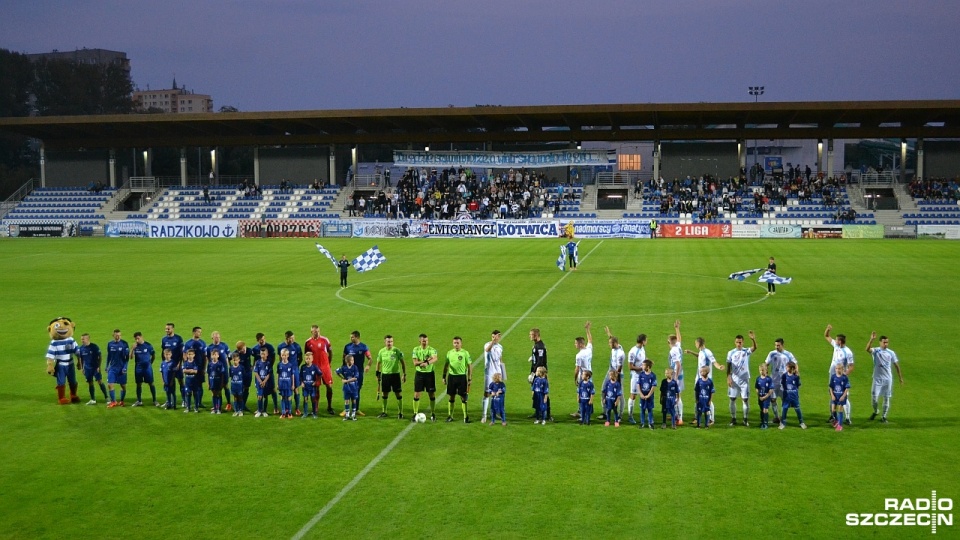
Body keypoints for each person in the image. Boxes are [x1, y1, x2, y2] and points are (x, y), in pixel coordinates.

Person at [684, 336, 725, 425]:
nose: (695, 345)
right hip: (698, 379)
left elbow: (714, 362)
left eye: (695, 343)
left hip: (706, 380)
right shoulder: (701, 352)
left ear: (699, 343)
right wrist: (691, 352)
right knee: (698, 398)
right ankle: (696, 417)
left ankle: (711, 419)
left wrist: (719, 367)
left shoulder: (708, 352)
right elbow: (699, 356)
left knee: (707, 398)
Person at [865, 332, 904, 423]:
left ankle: (884, 416)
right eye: (884, 342)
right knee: (874, 397)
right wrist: (871, 339)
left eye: (887, 342)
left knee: (886, 397)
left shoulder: (891, 352)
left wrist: (900, 377)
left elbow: (896, 365)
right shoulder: (876, 351)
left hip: (887, 379)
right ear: (880, 342)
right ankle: (876, 411)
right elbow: (867, 349)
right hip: (877, 378)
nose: (886, 344)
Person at [824, 324, 854, 425]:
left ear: (840, 342)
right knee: (832, 394)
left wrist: (845, 374)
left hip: (841, 377)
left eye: (837, 340)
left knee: (844, 397)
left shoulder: (848, 352)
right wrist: (828, 329)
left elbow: (851, 366)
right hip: (832, 375)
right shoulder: (836, 346)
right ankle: (833, 416)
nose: (835, 341)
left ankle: (848, 417)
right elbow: (827, 336)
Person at [726, 331, 757, 427]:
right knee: (732, 399)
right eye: (737, 342)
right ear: (735, 342)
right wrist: (728, 377)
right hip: (734, 379)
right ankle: (733, 418)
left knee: (745, 399)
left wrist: (753, 339)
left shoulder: (746, 351)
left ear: (743, 342)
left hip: (744, 380)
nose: (739, 344)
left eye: (740, 342)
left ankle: (745, 419)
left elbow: (755, 348)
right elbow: (728, 365)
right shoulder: (731, 353)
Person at [764, 338, 798, 424]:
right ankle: (776, 417)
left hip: (784, 382)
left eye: (778, 345)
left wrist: (796, 373)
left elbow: (795, 364)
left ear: (782, 345)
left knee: (784, 400)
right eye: (775, 345)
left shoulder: (788, 354)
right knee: (773, 399)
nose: (776, 347)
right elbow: (766, 364)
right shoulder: (772, 354)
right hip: (773, 381)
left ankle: (783, 418)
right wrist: (765, 371)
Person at [304, 325, 335, 415]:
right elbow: (307, 355)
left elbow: (330, 352)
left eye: (318, 331)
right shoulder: (308, 342)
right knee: (316, 387)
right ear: (311, 332)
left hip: (325, 367)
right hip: (315, 368)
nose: (316, 333)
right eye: (314, 331)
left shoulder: (325, 340)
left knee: (329, 386)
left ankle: (329, 406)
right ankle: (316, 407)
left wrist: (328, 363)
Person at [442, 336, 473, 424]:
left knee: (463, 397)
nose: (456, 344)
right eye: (455, 343)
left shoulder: (465, 353)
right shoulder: (449, 353)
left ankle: (465, 417)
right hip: (451, 377)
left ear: (461, 343)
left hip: (462, 377)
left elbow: (470, 366)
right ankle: (450, 416)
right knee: (451, 396)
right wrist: (444, 376)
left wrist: (470, 378)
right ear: (453, 343)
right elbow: (446, 365)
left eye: (458, 343)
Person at [376, 335, 406, 419]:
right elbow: (378, 363)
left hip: (395, 375)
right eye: (388, 341)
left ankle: (400, 413)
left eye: (391, 341)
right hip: (385, 375)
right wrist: (377, 374)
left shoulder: (397, 351)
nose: (390, 343)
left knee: (398, 393)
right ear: (385, 342)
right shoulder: (381, 351)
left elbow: (403, 363)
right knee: (384, 393)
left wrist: (404, 374)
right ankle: (384, 412)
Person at [342, 330, 371, 416]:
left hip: (359, 373)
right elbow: (344, 358)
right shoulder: (347, 347)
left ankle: (356, 409)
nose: (350, 338)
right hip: (348, 373)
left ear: (357, 337)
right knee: (347, 390)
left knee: (357, 390)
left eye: (352, 337)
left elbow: (370, 358)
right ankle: (346, 409)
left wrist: (368, 366)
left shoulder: (363, 347)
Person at [412, 333, 439, 422]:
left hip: (429, 374)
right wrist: (424, 361)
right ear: (420, 341)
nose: (425, 342)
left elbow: (435, 358)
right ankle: (415, 413)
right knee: (417, 394)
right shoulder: (416, 349)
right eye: (423, 341)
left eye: (426, 340)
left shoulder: (431, 349)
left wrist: (427, 363)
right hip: (419, 374)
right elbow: (415, 363)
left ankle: (433, 413)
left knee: (431, 394)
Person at [76, 333, 107, 405]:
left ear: (87, 339)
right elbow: (81, 359)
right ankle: (93, 399)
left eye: (83, 339)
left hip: (95, 368)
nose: (82, 340)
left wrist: (99, 366)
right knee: (90, 383)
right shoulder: (81, 348)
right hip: (87, 369)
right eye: (81, 339)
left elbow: (100, 357)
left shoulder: (94, 347)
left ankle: (106, 397)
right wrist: (82, 368)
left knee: (100, 381)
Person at [482, 330, 506, 424]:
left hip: (498, 373)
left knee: (498, 394)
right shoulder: (487, 344)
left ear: (499, 337)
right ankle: (484, 416)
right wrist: (492, 341)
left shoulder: (500, 347)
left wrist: (503, 373)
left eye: (496, 337)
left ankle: (495, 413)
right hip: (489, 373)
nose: (494, 338)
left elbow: (500, 360)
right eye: (492, 336)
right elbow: (487, 350)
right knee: (487, 393)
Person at [571, 322, 593, 419]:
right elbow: (590, 340)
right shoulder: (589, 349)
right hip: (590, 375)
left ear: (580, 344)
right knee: (588, 394)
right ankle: (585, 411)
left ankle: (583, 413)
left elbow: (577, 369)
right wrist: (587, 330)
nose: (575, 345)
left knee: (581, 396)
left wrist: (575, 379)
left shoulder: (579, 355)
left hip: (583, 377)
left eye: (576, 343)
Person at [278, 331, 303, 414]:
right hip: (284, 371)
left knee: (296, 388)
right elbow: (280, 359)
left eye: (293, 337)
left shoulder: (297, 346)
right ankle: (286, 409)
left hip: (294, 370)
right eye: (290, 338)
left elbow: (300, 358)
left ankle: (297, 408)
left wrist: (295, 367)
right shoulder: (281, 347)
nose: (292, 339)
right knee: (285, 390)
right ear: (286, 338)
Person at [603, 326, 626, 419]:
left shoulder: (621, 353)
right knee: (603, 389)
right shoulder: (615, 346)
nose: (609, 345)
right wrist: (609, 333)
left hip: (617, 374)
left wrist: (615, 377)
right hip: (611, 370)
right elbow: (612, 339)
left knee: (620, 394)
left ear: (615, 343)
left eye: (610, 343)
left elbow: (619, 367)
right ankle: (605, 412)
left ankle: (620, 414)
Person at [252, 333, 278, 414]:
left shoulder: (269, 347)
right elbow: (255, 359)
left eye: (263, 339)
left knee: (272, 389)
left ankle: (276, 407)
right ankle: (260, 408)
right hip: (259, 371)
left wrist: (269, 366)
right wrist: (254, 366)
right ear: (257, 340)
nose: (263, 340)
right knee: (259, 390)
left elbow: (273, 358)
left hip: (268, 371)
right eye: (261, 340)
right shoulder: (255, 348)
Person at [206, 331, 232, 411]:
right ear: (212, 338)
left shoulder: (224, 345)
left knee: (225, 386)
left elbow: (229, 357)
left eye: (218, 337)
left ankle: (228, 403)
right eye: (216, 337)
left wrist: (230, 368)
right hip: (214, 371)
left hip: (223, 371)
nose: (217, 338)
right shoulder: (209, 347)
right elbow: (208, 359)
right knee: (214, 389)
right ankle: (217, 405)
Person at [160, 323, 185, 407]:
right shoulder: (164, 339)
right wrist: (164, 364)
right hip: (168, 366)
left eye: (168, 329)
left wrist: (180, 364)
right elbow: (163, 352)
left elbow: (182, 353)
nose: (167, 330)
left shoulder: (178, 338)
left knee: (181, 382)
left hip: (177, 364)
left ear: (173, 329)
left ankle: (184, 400)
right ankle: (169, 401)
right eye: (166, 329)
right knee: (168, 383)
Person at [130, 332, 157, 407]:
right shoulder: (135, 346)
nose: (137, 340)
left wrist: (150, 363)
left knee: (151, 383)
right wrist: (132, 349)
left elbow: (153, 355)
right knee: (138, 384)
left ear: (142, 337)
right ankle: (139, 401)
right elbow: (131, 357)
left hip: (147, 368)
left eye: (138, 338)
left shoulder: (148, 345)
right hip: (138, 368)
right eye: (136, 339)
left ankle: (154, 400)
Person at [528, 328, 550, 421]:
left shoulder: (540, 346)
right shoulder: (537, 345)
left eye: (531, 334)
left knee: (543, 392)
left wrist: (535, 373)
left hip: (540, 373)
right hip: (536, 371)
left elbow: (540, 361)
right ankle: (537, 412)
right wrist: (532, 358)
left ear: (536, 335)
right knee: (536, 393)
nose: (530, 336)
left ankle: (547, 414)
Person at [105, 329, 130, 408]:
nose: (118, 336)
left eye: (119, 335)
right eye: (116, 335)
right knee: (110, 384)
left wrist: (125, 367)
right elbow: (109, 356)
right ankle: (113, 401)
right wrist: (106, 366)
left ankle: (122, 400)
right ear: (113, 335)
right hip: (112, 368)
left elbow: (127, 358)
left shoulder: (124, 344)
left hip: (121, 368)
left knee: (123, 386)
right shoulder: (110, 344)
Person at [626, 333, 647, 424]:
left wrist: (648, 362)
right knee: (633, 395)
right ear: (643, 341)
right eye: (646, 340)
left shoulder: (642, 348)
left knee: (644, 394)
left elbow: (643, 360)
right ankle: (630, 416)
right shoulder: (632, 352)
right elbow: (630, 367)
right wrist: (641, 368)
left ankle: (643, 415)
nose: (647, 342)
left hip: (643, 376)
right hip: (635, 377)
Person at [183, 327, 207, 408]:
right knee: (189, 386)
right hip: (190, 368)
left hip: (200, 368)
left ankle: (199, 403)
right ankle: (188, 403)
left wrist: (204, 368)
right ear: (194, 332)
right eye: (199, 332)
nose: (200, 333)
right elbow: (184, 355)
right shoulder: (188, 343)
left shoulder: (203, 343)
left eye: (201, 332)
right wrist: (186, 365)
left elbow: (205, 356)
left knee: (199, 385)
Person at [779, 361, 806, 430]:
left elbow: (798, 385)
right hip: (786, 396)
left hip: (794, 396)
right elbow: (782, 384)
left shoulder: (796, 377)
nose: (786, 368)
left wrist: (794, 392)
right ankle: (783, 423)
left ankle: (801, 422)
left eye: (787, 367)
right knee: (784, 409)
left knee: (797, 409)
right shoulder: (784, 376)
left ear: (791, 368)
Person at [667, 320, 684, 425]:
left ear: (669, 342)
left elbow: (678, 364)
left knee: (677, 396)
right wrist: (677, 328)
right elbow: (679, 339)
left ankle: (680, 418)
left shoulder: (673, 350)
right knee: (676, 395)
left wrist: (675, 377)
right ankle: (676, 415)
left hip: (676, 375)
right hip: (680, 374)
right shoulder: (678, 346)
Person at [336, 353, 360, 421]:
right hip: (346, 388)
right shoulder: (344, 368)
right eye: (351, 360)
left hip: (354, 387)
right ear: (347, 361)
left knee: (354, 401)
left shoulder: (355, 367)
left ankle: (353, 414)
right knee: (346, 401)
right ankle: (347, 415)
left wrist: (346, 381)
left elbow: (355, 378)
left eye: (353, 360)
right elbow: (336, 371)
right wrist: (341, 378)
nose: (353, 361)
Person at [234, 340, 256, 412]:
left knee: (246, 388)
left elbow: (256, 356)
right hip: (240, 374)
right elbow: (229, 358)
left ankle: (243, 405)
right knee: (240, 390)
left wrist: (253, 365)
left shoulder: (249, 350)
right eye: (241, 350)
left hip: (248, 372)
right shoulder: (236, 353)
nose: (243, 350)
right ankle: (238, 406)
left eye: (244, 348)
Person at [829, 363, 851, 432]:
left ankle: (840, 426)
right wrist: (832, 395)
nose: (837, 370)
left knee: (840, 410)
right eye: (836, 368)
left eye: (839, 369)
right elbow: (830, 387)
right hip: (835, 396)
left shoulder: (844, 377)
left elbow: (847, 388)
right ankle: (836, 421)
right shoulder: (833, 377)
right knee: (833, 410)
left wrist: (843, 396)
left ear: (842, 369)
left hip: (841, 396)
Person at [300, 352, 321, 418]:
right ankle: (305, 413)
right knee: (305, 399)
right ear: (304, 359)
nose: (308, 360)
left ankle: (314, 413)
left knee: (313, 399)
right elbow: (300, 376)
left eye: (309, 358)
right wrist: (302, 382)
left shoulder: (314, 367)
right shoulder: (303, 367)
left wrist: (316, 381)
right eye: (306, 359)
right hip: (305, 386)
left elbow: (320, 374)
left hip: (312, 387)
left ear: (312, 359)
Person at [276, 349, 296, 419]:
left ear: (287, 355)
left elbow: (292, 375)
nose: (283, 357)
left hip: (288, 384)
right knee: (282, 398)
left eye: (285, 355)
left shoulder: (290, 365)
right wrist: (277, 384)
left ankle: (289, 412)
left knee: (289, 398)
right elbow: (278, 374)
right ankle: (283, 413)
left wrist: (293, 384)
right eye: (282, 355)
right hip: (281, 384)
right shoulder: (279, 364)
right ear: (281, 356)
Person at [637, 360, 657, 430]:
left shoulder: (653, 375)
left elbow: (653, 386)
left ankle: (650, 423)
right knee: (642, 409)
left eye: (643, 365)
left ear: (648, 367)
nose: (642, 366)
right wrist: (641, 394)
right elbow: (638, 384)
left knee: (650, 410)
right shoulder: (641, 375)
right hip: (642, 396)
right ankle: (642, 423)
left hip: (650, 396)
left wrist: (648, 395)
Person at [755, 363, 775, 429]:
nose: (760, 371)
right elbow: (757, 388)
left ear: (765, 370)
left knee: (765, 410)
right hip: (760, 397)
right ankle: (762, 421)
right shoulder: (758, 379)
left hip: (766, 397)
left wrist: (765, 397)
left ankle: (765, 423)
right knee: (761, 409)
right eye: (760, 370)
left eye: (762, 370)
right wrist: (759, 396)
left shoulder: (769, 379)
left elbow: (771, 390)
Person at [254, 348, 272, 417]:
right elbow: (256, 372)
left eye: (264, 354)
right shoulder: (258, 362)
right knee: (259, 396)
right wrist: (260, 381)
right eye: (261, 354)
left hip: (266, 382)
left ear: (267, 354)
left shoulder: (268, 363)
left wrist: (264, 381)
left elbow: (269, 374)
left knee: (265, 396)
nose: (263, 355)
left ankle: (264, 410)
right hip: (259, 382)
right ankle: (259, 410)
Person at [206, 349, 226, 414]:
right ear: (211, 356)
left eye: (215, 355)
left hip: (218, 381)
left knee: (219, 394)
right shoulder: (210, 364)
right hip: (212, 381)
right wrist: (208, 383)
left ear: (218, 356)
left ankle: (219, 409)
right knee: (214, 394)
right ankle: (215, 408)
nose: (214, 356)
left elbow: (222, 374)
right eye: (213, 355)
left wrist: (222, 383)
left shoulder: (220, 364)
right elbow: (208, 374)